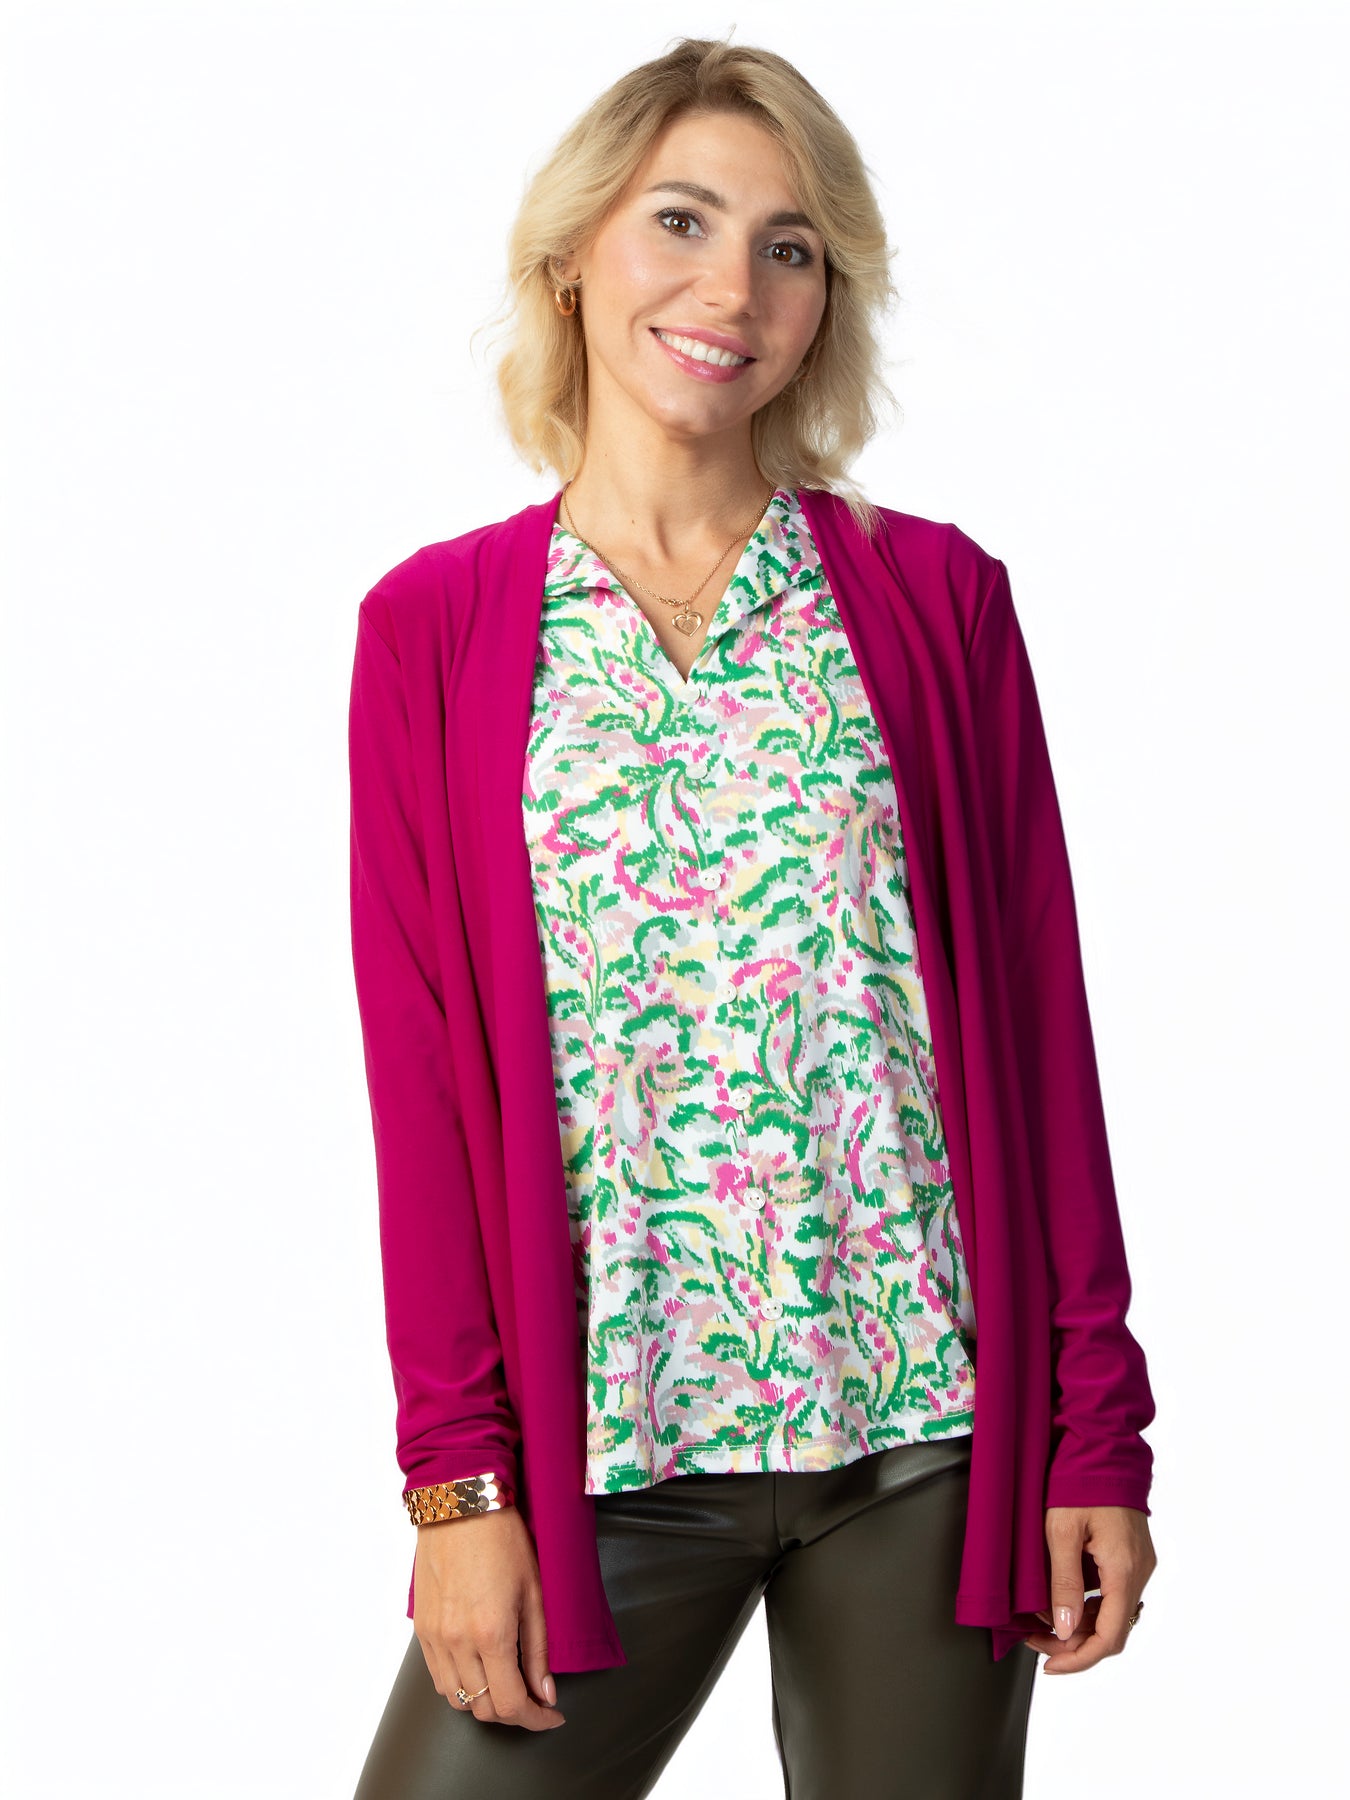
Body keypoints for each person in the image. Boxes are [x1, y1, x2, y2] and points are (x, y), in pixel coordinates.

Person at [346, 36, 1158, 1800]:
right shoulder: (437, 631)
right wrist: (458, 1487)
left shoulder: (931, 600)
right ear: (573, 253)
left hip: (925, 1440)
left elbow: (1038, 1028)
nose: (731, 288)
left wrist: (1095, 1427)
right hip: (603, 1453)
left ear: (824, 300)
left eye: (788, 248)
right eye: (681, 222)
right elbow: (421, 1087)